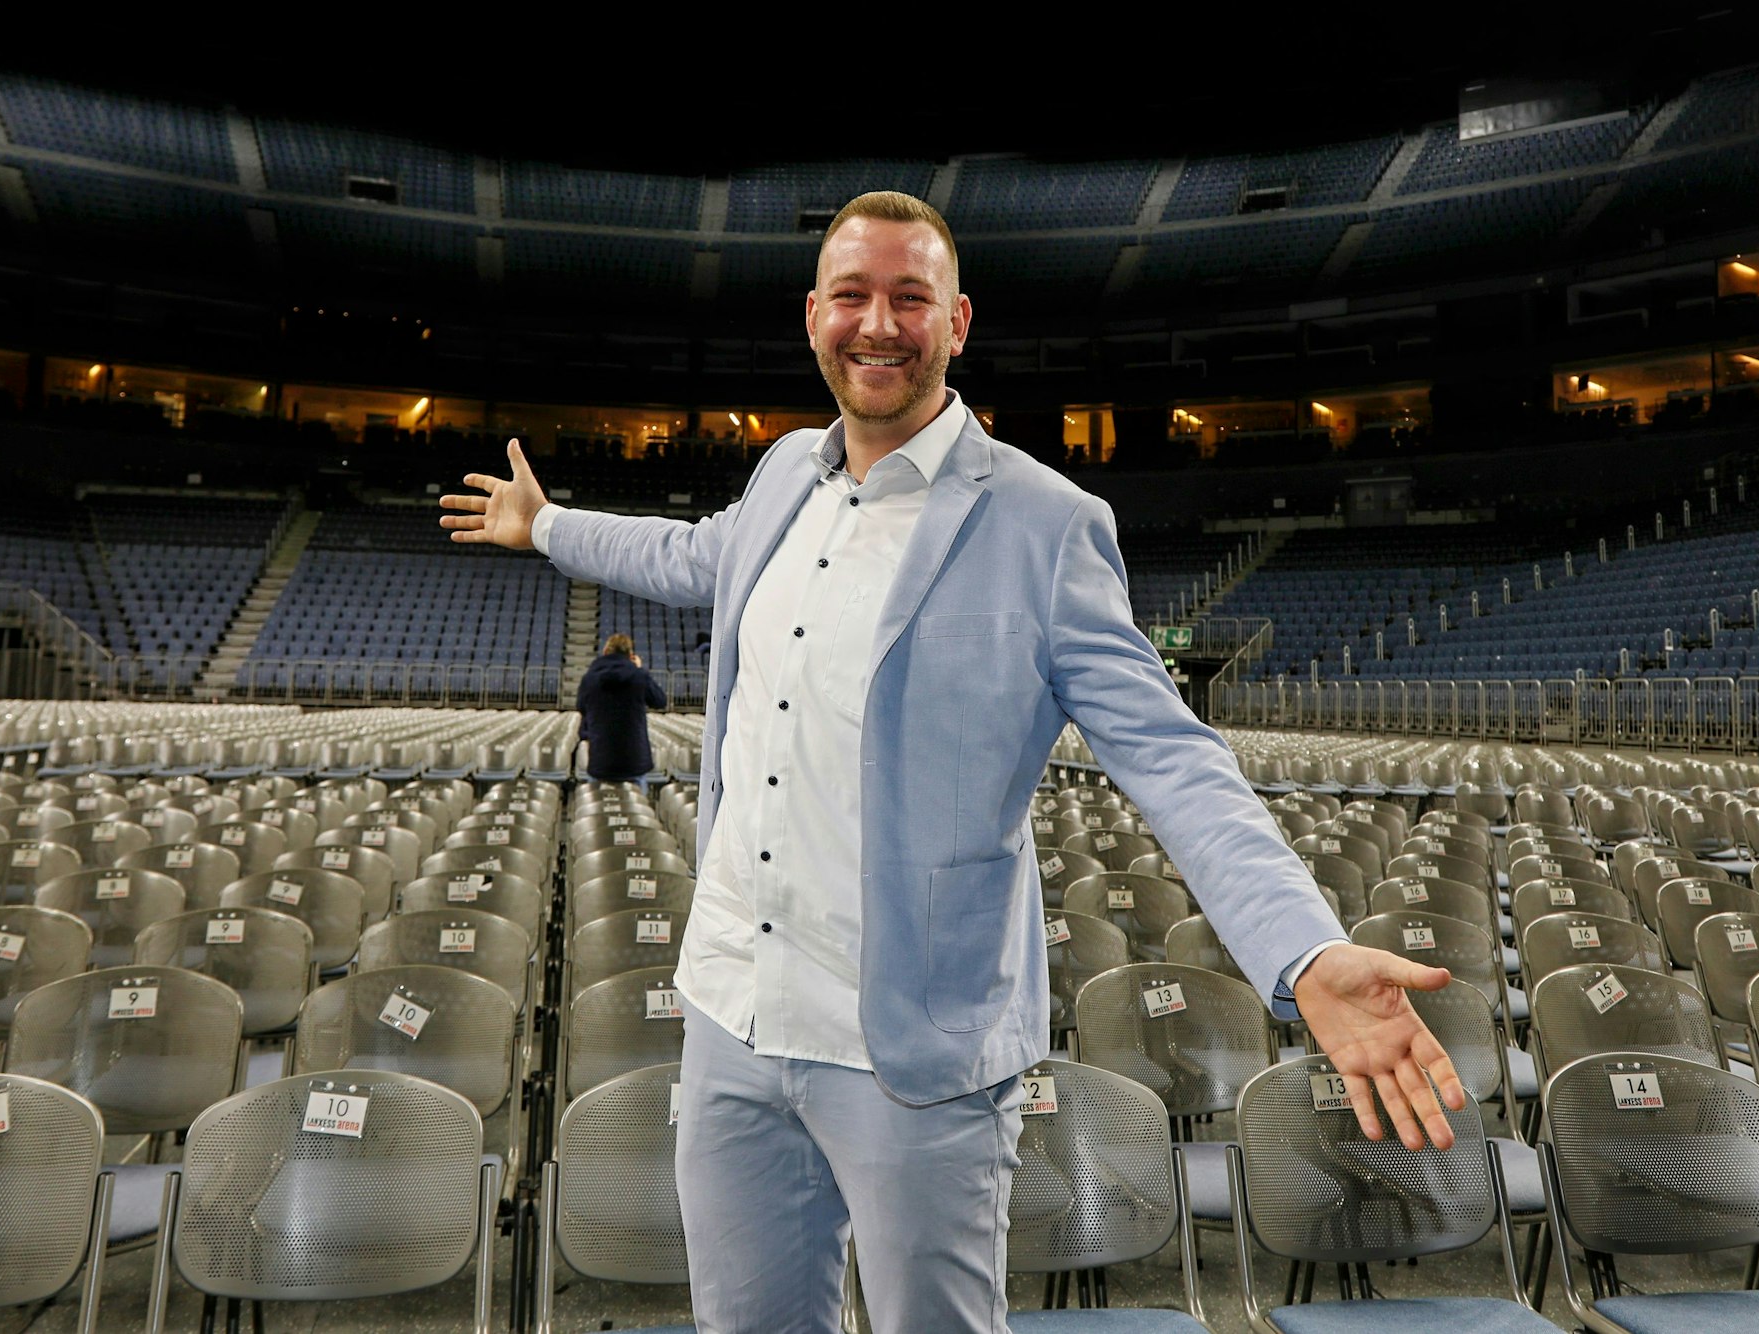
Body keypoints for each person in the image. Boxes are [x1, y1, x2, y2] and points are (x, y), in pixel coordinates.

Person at [442, 191, 1463, 1334]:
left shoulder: (1044, 520)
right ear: (813, 313)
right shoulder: (783, 472)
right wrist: (547, 527)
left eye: (908, 298)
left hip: (912, 1051)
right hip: (731, 1009)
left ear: (956, 321)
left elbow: (1171, 755)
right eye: (852, 295)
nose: (877, 324)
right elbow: (687, 553)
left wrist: (1302, 947)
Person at [574, 631, 667, 789]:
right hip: (634, 759)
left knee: (597, 808)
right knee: (637, 811)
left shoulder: (590, 678)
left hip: (601, 757)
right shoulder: (638, 676)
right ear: (630, 654)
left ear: (605, 652)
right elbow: (660, 701)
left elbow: (581, 706)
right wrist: (640, 669)